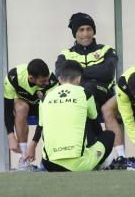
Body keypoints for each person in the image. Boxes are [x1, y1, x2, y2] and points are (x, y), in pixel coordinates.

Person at [54, 12, 126, 168]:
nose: (85, 33)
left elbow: (106, 73)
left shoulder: (106, 50)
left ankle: (116, 157)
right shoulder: (65, 54)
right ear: (75, 33)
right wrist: (91, 71)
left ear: (94, 31)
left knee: (88, 88)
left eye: (88, 29)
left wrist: (76, 71)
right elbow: (59, 74)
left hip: (102, 94)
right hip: (75, 100)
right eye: (81, 30)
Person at [38, 61, 114, 172]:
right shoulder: (85, 93)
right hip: (78, 165)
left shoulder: (46, 97)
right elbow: (96, 126)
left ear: (59, 79)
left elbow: (41, 127)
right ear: (79, 79)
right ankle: (98, 163)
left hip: (49, 164)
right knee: (109, 136)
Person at [2, 58, 57, 171]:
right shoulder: (13, 77)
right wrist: (10, 135)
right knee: (21, 108)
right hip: (23, 103)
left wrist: (34, 144)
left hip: (41, 106)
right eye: (43, 81)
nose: (46, 83)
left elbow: (46, 114)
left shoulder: (52, 81)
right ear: (31, 78)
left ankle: (47, 161)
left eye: (47, 80)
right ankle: (24, 160)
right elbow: (7, 108)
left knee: (53, 116)